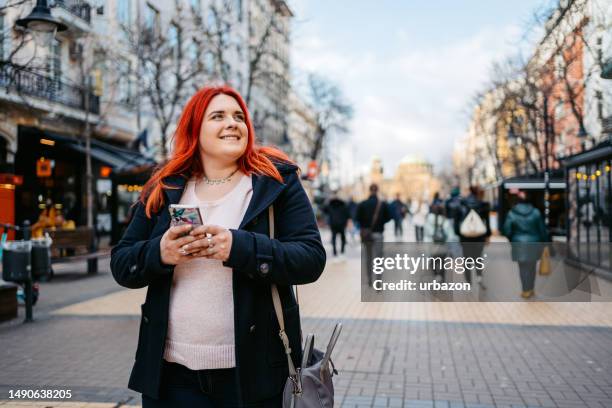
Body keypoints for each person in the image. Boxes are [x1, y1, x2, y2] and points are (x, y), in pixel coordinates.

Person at [110, 85, 326, 407]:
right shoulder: (165, 185)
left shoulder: (275, 182)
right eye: (218, 116)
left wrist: (238, 247)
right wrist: (160, 253)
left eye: (239, 116)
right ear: (195, 129)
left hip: (254, 376)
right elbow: (122, 263)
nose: (233, 123)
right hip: (171, 375)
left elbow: (310, 258)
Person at [502, 190, 548, 299]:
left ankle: (525, 290)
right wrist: (545, 243)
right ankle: (531, 289)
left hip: (518, 244)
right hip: (534, 243)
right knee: (532, 267)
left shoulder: (512, 213)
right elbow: (542, 231)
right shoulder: (536, 212)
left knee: (522, 268)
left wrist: (512, 239)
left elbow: (506, 231)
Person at [356, 184, 391, 285]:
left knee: (368, 257)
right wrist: (380, 221)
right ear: (377, 190)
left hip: (366, 235)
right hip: (378, 234)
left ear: (369, 190)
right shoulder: (382, 204)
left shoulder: (362, 204)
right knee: (378, 259)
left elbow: (357, 218)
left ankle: (370, 279)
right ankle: (378, 280)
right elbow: (388, 217)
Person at [457, 186, 491, 287]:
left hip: (465, 236)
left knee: (466, 258)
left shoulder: (462, 204)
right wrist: (487, 235)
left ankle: (468, 281)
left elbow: (456, 222)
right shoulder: (483, 204)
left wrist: (459, 234)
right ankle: (479, 277)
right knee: (478, 257)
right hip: (479, 236)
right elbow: (487, 222)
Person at [423, 204, 458, 282]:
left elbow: (426, 234)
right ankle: (441, 276)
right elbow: (451, 236)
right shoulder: (445, 221)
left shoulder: (429, 220)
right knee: (442, 262)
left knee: (433, 261)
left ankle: (436, 274)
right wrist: (451, 248)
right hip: (443, 246)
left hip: (432, 246)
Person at [324, 191, 350, 259]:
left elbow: (324, 210)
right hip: (341, 224)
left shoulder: (330, 204)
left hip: (334, 224)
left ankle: (335, 253)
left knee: (334, 239)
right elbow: (347, 213)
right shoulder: (343, 203)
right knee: (342, 238)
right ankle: (342, 252)